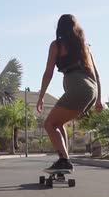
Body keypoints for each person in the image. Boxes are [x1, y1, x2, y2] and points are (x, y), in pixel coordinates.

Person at [37, 14, 102, 171]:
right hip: (91, 90)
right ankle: (64, 159)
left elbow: (48, 73)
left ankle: (64, 160)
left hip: (78, 88)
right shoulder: (84, 47)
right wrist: (98, 100)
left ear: (59, 28)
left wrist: (41, 97)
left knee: (49, 124)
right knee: (60, 123)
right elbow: (96, 75)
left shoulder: (57, 45)